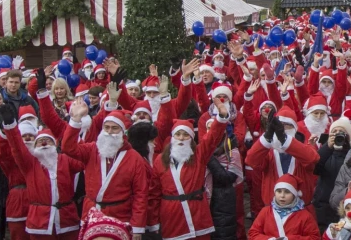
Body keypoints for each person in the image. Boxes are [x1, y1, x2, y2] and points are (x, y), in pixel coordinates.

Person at [64, 98, 150, 237]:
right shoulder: (92, 149)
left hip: (120, 217)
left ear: (123, 132)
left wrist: (137, 227)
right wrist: (75, 120)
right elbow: (68, 147)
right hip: (91, 214)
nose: (110, 131)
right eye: (106, 127)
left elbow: (141, 195)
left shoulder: (134, 158)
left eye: (114, 128)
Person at [0, 104, 83, 240]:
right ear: (35, 146)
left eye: (48, 141)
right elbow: (17, 147)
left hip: (67, 220)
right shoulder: (30, 163)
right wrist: (10, 126)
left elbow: (82, 156)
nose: (44, 144)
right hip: (40, 223)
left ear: (55, 146)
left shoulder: (65, 160)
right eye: (40, 141)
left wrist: (76, 122)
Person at [153, 106, 228, 240]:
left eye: (186, 134)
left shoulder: (199, 154)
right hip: (172, 216)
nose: (181, 138)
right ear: (173, 137)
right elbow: (154, 192)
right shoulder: (159, 160)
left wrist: (221, 118)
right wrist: (153, 221)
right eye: (178, 134)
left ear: (191, 138)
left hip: (197, 213)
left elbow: (212, 138)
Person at [248, 174, 320, 240]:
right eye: (279, 191)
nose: (282, 196)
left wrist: (290, 239)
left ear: (294, 195)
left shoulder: (305, 216)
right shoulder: (265, 212)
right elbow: (253, 233)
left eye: (287, 192)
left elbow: (315, 237)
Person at [313, 117, 351, 231]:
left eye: (341, 132)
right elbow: (315, 168)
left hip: (345, 207)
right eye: (334, 132)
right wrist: (327, 147)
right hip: (324, 206)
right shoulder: (325, 152)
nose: (337, 135)